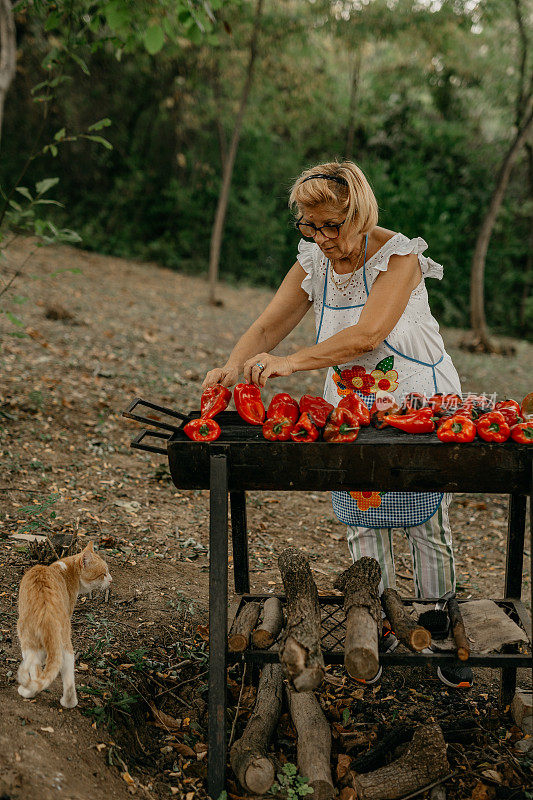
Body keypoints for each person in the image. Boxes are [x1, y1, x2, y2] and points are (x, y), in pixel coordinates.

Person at [202, 160, 472, 689]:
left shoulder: (400, 257)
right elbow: (267, 325)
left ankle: (438, 637)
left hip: (416, 407)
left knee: (426, 526)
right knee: (364, 519)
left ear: (360, 213)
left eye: (332, 225)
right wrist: (232, 368)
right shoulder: (313, 262)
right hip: (352, 411)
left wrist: (291, 363)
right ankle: (378, 634)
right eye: (310, 226)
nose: (323, 238)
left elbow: (369, 336)